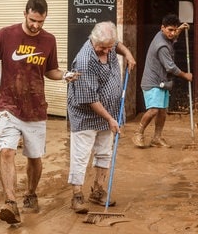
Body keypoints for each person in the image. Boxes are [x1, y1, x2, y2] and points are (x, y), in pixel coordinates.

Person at [0, 0, 79, 225]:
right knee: (7, 151)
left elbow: (52, 71)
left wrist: (65, 76)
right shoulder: (6, 34)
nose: (36, 25)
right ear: (25, 13)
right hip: (8, 105)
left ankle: (30, 193)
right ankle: (11, 203)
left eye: (41, 21)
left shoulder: (49, 40)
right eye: (32, 20)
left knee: (34, 158)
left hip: (36, 108)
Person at [67, 21, 136, 213]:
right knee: (81, 156)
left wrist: (128, 54)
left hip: (109, 112)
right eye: (103, 48)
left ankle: (97, 190)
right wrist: (110, 119)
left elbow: (117, 45)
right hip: (87, 115)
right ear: (93, 40)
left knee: (105, 152)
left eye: (109, 47)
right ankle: (77, 196)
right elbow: (91, 99)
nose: (107, 51)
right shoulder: (84, 61)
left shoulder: (109, 44)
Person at [132, 14, 192, 149]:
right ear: (162, 28)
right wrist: (185, 75)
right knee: (153, 110)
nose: (172, 33)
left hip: (162, 81)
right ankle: (138, 133)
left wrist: (180, 29)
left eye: (174, 30)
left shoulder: (164, 36)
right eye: (170, 30)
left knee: (162, 111)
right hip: (153, 81)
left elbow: (173, 37)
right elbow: (170, 67)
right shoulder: (162, 45)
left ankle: (156, 138)